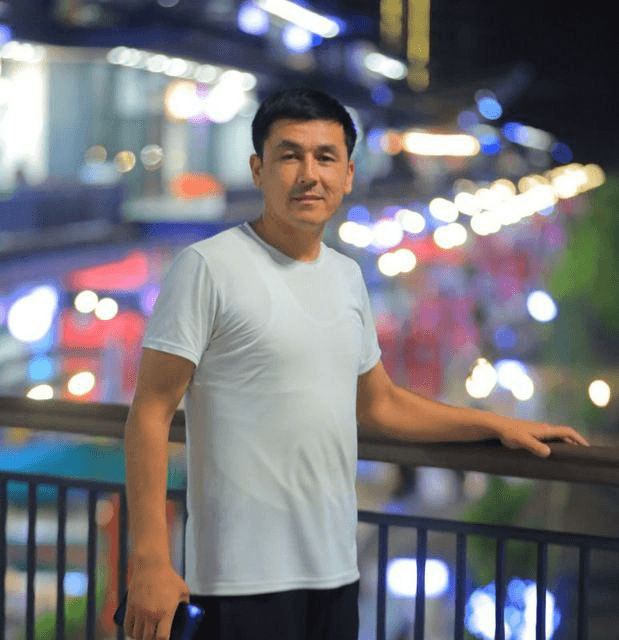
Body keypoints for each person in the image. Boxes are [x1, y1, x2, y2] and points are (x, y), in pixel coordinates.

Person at [123, 87, 589, 640]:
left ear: (347, 174)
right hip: (238, 579)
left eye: (325, 158)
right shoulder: (206, 267)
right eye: (289, 156)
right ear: (258, 170)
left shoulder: (346, 277)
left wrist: (496, 425)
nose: (309, 174)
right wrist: (151, 560)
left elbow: (380, 403)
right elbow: (151, 411)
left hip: (336, 571)